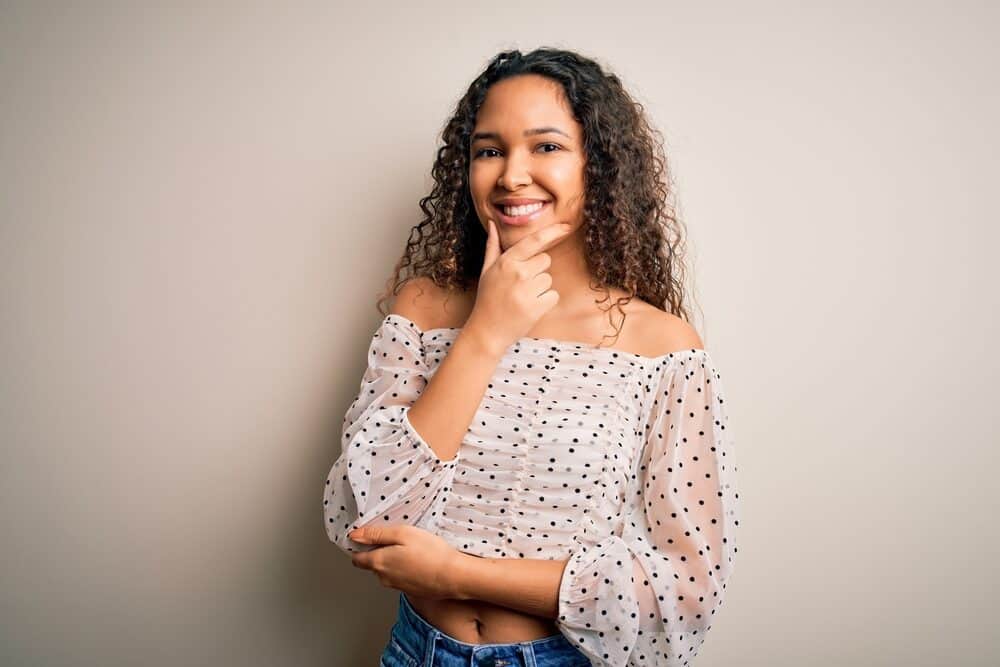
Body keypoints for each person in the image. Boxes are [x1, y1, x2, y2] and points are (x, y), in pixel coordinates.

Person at [323, 47, 740, 667]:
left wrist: (457, 573)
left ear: (598, 166)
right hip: (415, 653)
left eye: (545, 147)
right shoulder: (424, 308)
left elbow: (681, 593)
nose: (512, 175)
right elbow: (361, 513)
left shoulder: (662, 348)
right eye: (489, 150)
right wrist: (486, 333)